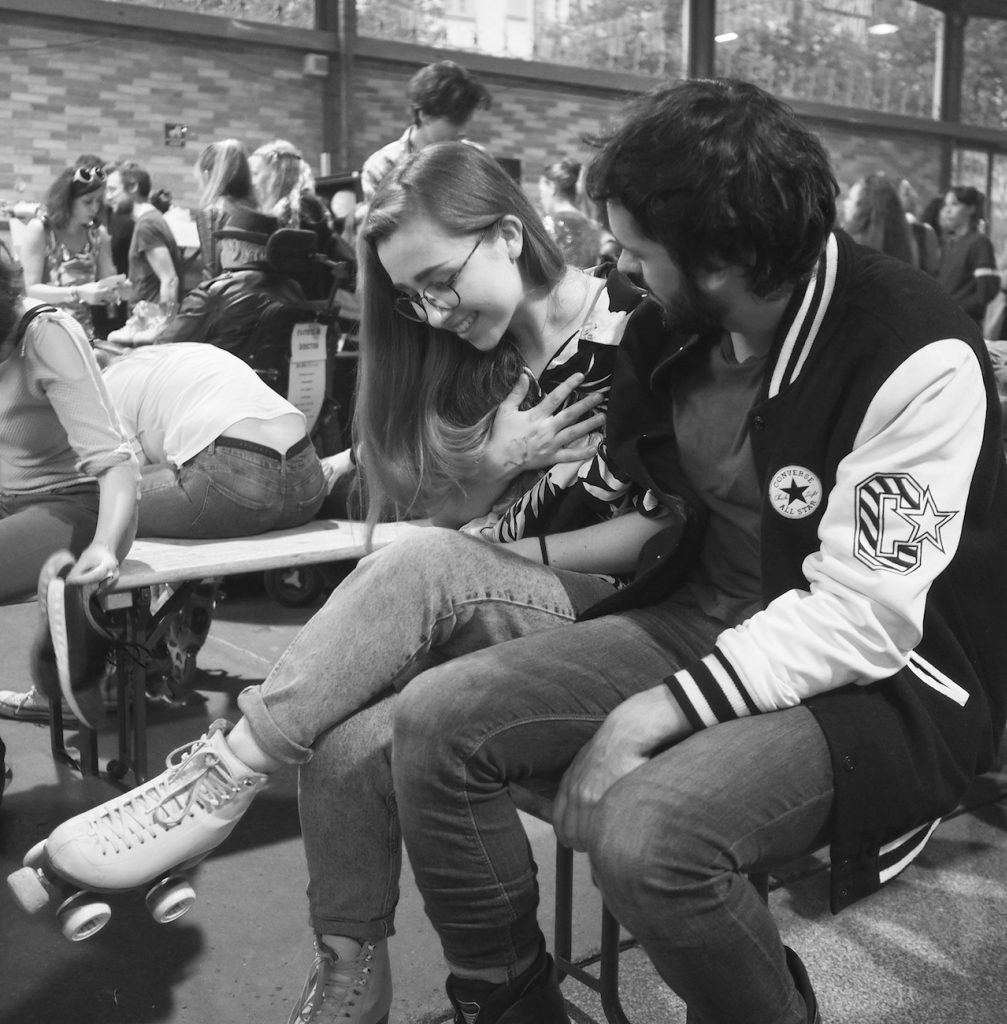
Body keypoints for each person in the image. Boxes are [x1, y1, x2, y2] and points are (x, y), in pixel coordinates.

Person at [375, 79, 1007, 1024]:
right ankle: (506, 1000)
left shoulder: (912, 349)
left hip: (885, 680)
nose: (614, 265)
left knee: (650, 840)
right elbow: (646, 506)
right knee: (433, 719)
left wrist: (648, 716)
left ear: (723, 257)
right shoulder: (669, 330)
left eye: (636, 250)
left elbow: (865, 618)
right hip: (703, 616)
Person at [34, 141, 664, 1024]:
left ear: (508, 235)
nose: (434, 312)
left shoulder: (633, 327)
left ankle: (220, 774)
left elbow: (662, 531)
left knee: (416, 565)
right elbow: (440, 512)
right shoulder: (474, 358)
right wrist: (493, 464)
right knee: (344, 734)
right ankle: (351, 971)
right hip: (485, 601)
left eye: (441, 281)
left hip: (609, 611)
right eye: (414, 297)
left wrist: (497, 559)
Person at [0, 257, 138, 723]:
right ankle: (68, 626)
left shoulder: (47, 336)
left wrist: (104, 546)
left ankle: (71, 639)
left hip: (80, 502)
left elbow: (115, 462)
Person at [100, 342, 327, 539]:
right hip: (307, 485)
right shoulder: (180, 353)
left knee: (96, 503)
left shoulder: (104, 385)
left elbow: (128, 474)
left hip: (231, 483)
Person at [157, 208, 320, 395]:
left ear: (234, 250)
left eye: (223, 248)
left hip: (213, 396)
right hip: (275, 397)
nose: (221, 255)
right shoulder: (294, 290)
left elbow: (164, 350)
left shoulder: (214, 293)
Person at [360, 59, 492, 207]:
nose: (463, 131)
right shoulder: (382, 167)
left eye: (465, 120)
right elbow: (377, 221)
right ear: (424, 115)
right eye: (454, 121)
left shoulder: (478, 161)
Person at [19, 165, 129, 341]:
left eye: (98, 201)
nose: (95, 208)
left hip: (82, 334)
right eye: (87, 202)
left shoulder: (97, 234)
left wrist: (120, 290)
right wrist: (77, 292)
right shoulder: (40, 229)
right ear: (67, 200)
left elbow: (107, 283)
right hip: (43, 333)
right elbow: (28, 289)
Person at [249, 139, 343, 300]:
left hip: (299, 302)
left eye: (256, 174)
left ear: (277, 174)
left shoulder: (295, 208)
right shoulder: (306, 204)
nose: (252, 181)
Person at [105, 161, 184, 314]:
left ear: (133, 187)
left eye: (113, 190)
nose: (108, 197)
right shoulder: (148, 221)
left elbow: (170, 280)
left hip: (150, 323)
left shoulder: (147, 225)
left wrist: (162, 323)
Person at [192, 138, 257, 279]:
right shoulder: (258, 208)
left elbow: (212, 271)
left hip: (227, 289)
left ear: (207, 175)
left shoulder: (211, 213)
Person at [937, 184, 1000, 326]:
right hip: (943, 321)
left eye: (954, 204)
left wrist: (958, 309)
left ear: (971, 208)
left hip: (964, 325)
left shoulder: (979, 243)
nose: (948, 210)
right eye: (946, 205)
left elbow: (986, 291)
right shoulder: (950, 242)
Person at [538, 157, 605, 269]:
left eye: (541, 192)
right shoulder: (593, 227)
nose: (541, 199)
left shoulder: (547, 226)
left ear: (552, 187)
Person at [840, 171, 915, 264]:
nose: (845, 203)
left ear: (863, 207)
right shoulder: (905, 240)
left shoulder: (850, 248)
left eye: (850, 199)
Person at [898, 177, 941, 275]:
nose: (914, 195)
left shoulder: (924, 230)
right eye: (907, 193)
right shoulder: (923, 231)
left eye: (912, 191)